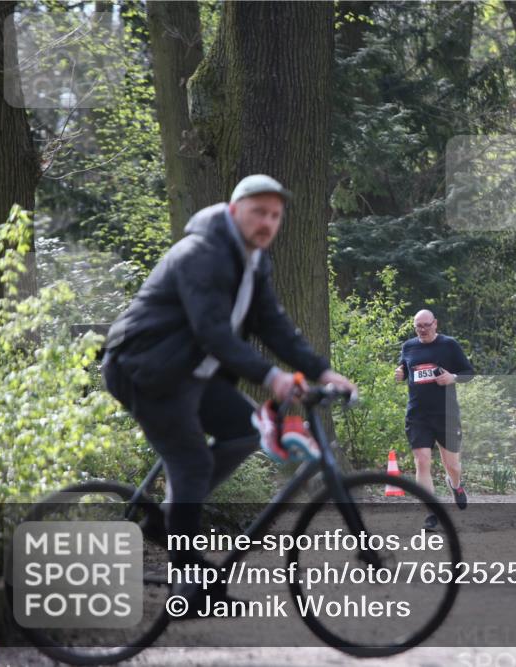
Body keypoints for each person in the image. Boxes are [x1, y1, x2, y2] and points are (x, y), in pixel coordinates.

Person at [101, 174, 356, 599]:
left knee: (244, 430)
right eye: (259, 212)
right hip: (146, 371)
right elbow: (213, 333)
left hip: (190, 374)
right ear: (234, 211)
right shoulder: (201, 253)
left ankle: (168, 520)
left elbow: (273, 326)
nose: (267, 222)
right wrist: (271, 377)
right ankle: (191, 581)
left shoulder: (253, 262)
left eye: (275, 215)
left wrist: (322, 372)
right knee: (193, 463)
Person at [394, 310, 474, 529]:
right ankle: (431, 511)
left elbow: (469, 372)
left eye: (426, 325)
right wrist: (400, 374)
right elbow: (404, 368)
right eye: (418, 326)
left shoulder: (449, 345)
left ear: (435, 324)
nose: (422, 330)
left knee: (452, 465)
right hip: (418, 414)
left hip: (446, 414)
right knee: (422, 460)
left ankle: (455, 485)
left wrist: (453, 377)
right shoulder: (409, 346)